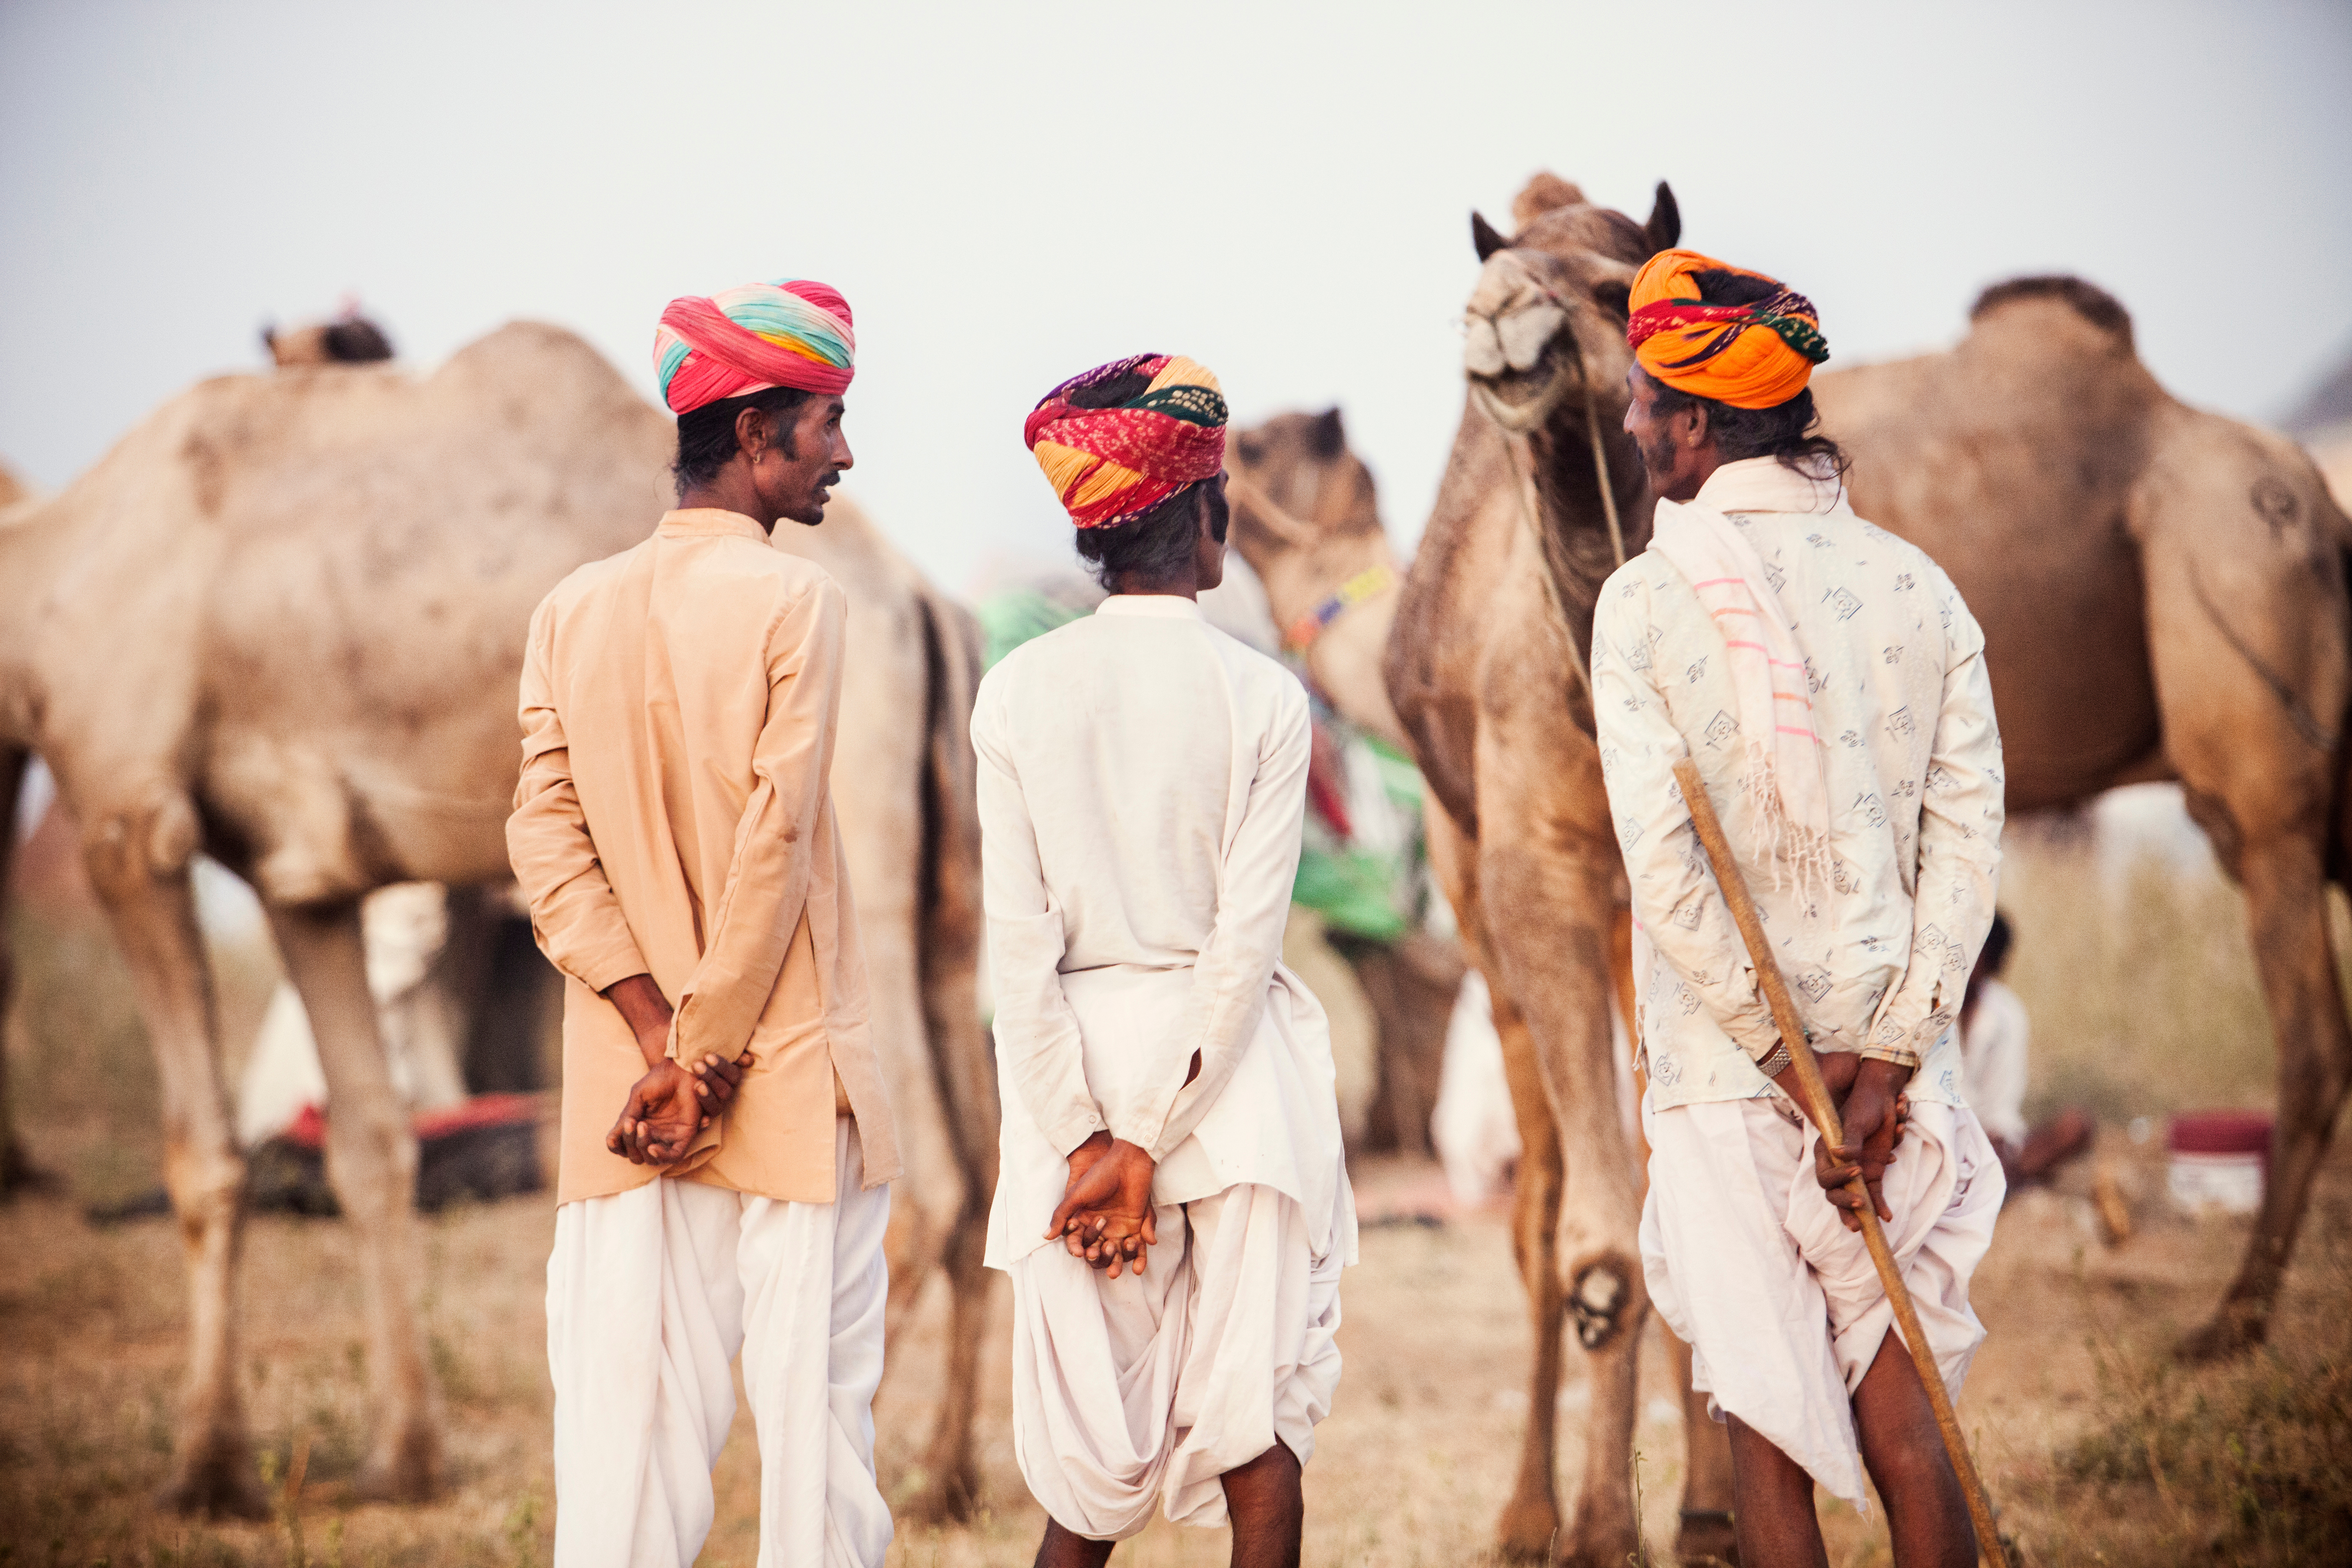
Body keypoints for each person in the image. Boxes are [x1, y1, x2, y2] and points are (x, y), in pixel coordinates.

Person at [1593, 249, 2007, 1568]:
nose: (1627, 423)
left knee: (1762, 1431)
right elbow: (1968, 850)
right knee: (1905, 1405)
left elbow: (1662, 871)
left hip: (1731, 1081)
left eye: (1643, 400)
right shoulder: (1920, 589)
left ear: (1698, 425)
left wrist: (1789, 1069)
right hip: (1898, 1086)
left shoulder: (1646, 601)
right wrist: (1880, 1067)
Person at [506, 277, 900, 1568]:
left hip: (630, 1099)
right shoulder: (800, 605)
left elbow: (543, 842)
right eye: (828, 421)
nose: (844, 453)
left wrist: (652, 1040)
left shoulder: (571, 609)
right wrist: (712, 1053)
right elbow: (774, 847)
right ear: (752, 431)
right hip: (778, 1075)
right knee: (815, 1456)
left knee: (621, 1453)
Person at [976, 353, 1357, 1568]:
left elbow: (1018, 955)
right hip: (1236, 1105)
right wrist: (1148, 1138)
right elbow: (1243, 952)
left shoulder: (1017, 693)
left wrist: (1091, 1142)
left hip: (1067, 1107)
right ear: (1208, 515)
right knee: (1259, 1457)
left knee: (1085, 1494)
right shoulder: (1264, 696)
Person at [1961, 910, 2093, 1188]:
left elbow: (2000, 1109)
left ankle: (1994, 1181)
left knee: (2075, 1127)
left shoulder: (2006, 1013)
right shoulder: (1925, 1005)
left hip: (1984, 1142)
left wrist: (1996, 1142)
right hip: (1935, 1137)